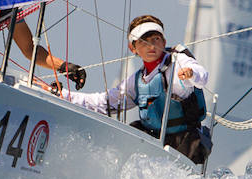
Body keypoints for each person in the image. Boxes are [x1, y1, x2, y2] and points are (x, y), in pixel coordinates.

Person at [53, 15, 210, 164]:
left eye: (156, 39)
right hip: (156, 140)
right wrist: (61, 94)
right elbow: (102, 103)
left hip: (186, 140)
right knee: (130, 133)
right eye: (144, 41)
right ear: (133, 47)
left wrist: (191, 74)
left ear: (164, 41)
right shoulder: (135, 81)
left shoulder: (177, 62)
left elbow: (201, 76)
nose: (151, 46)